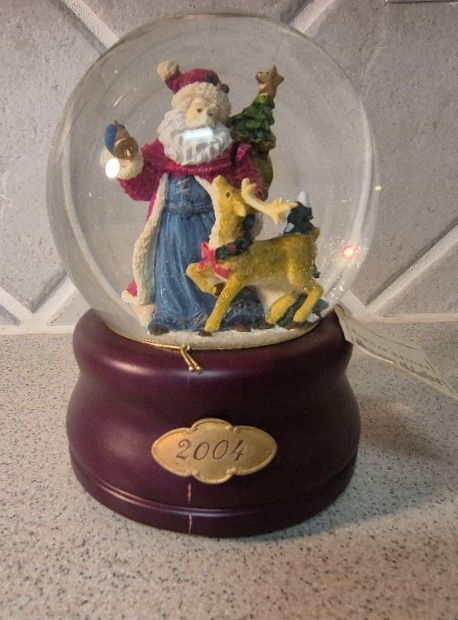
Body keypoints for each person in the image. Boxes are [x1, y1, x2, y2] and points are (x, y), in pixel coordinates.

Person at [106, 61, 266, 335]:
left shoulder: (227, 152)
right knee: (173, 271)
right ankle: (171, 314)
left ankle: (232, 313)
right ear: (183, 111)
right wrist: (129, 165)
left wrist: (252, 197)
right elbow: (142, 188)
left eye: (212, 113)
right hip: (173, 226)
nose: (205, 119)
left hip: (212, 224)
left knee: (221, 266)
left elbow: (248, 179)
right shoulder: (162, 150)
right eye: (199, 110)